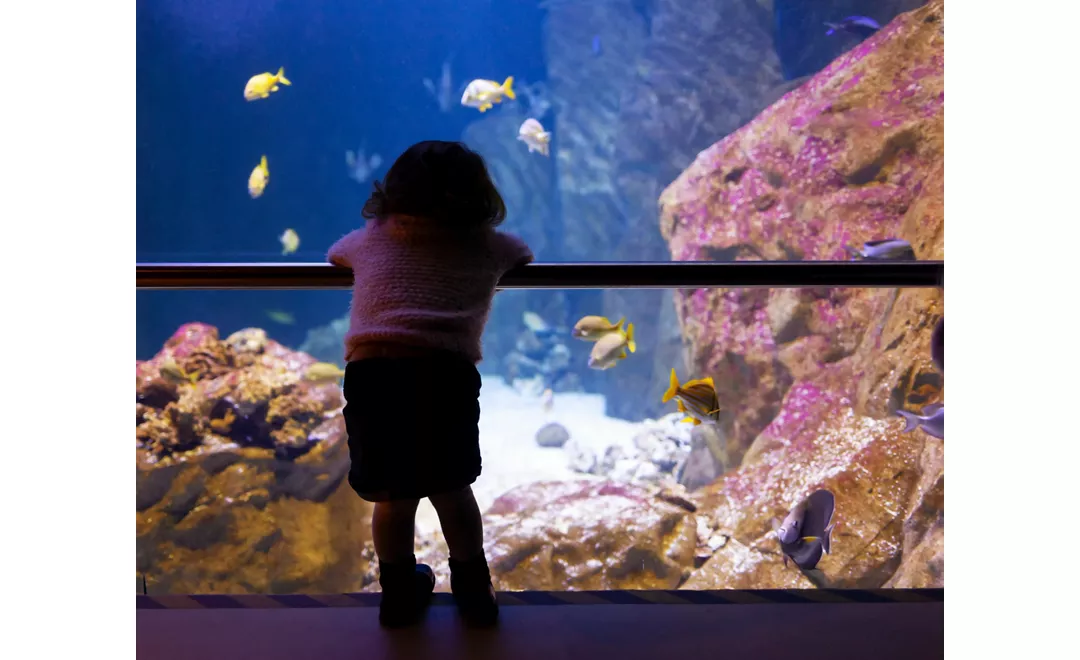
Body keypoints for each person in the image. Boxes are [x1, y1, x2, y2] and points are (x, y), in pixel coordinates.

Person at [326, 140, 533, 628]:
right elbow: (521, 252)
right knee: (453, 489)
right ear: (479, 194)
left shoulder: (372, 238)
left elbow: (337, 253)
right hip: (443, 375)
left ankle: (397, 595)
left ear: (390, 191)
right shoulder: (485, 243)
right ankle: (473, 593)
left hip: (374, 376)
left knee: (393, 499)